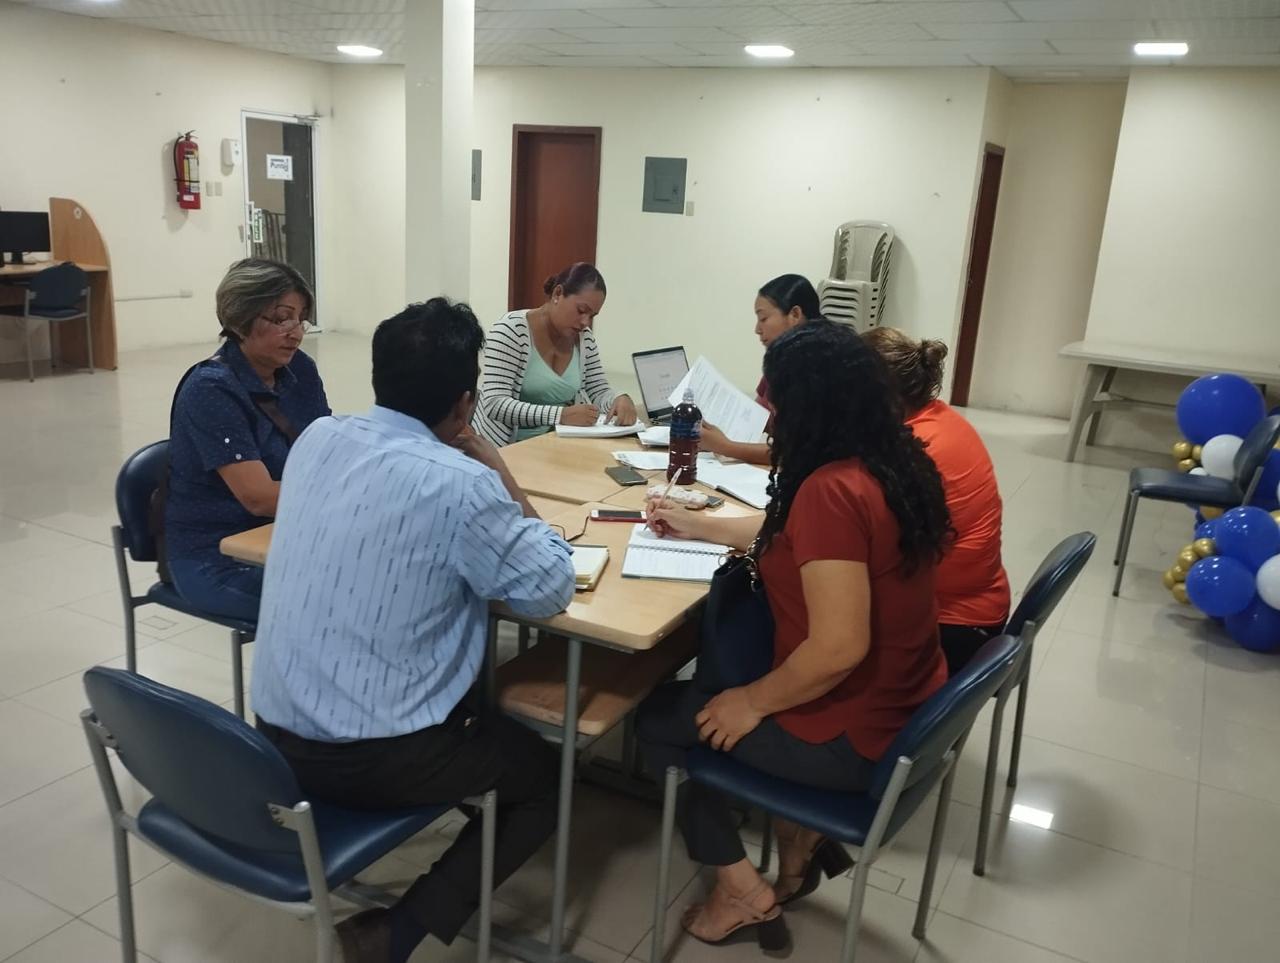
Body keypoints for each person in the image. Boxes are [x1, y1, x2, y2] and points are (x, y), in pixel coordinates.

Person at [251, 298, 575, 963]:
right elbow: (549, 586)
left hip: (272, 738)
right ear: (465, 403)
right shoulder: (461, 484)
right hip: (374, 758)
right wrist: (495, 467)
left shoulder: (318, 439)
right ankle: (397, 933)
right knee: (545, 776)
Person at [636, 320, 952, 952]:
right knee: (711, 692)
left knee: (660, 723)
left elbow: (838, 648)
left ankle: (739, 891)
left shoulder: (832, 491)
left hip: (852, 733)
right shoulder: (890, 461)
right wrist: (697, 524)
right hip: (906, 706)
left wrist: (751, 702)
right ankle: (799, 845)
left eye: (775, 406)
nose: (769, 422)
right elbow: (791, 540)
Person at [164, 258, 330, 621]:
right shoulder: (211, 389)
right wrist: (346, 497)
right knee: (336, 604)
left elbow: (326, 450)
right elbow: (258, 498)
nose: (296, 333)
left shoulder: (299, 369)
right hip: (215, 557)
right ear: (240, 318)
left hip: (284, 533)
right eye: (281, 319)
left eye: (300, 319)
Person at [863, 327, 1011, 674]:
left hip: (952, 625)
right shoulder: (939, 418)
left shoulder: (914, 449)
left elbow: (857, 544)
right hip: (976, 605)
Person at [473, 262, 637, 445]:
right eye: (581, 311)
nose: (585, 322)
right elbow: (495, 403)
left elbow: (598, 390)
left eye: (592, 316)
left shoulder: (584, 339)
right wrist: (560, 415)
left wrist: (618, 399)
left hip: (554, 443)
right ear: (557, 294)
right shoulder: (510, 331)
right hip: (504, 447)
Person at [698, 274, 821, 465]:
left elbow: (795, 452)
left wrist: (724, 446)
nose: (757, 329)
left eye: (763, 318)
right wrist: (712, 434)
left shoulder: (819, 369)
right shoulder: (780, 362)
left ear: (795, 315)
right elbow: (758, 420)